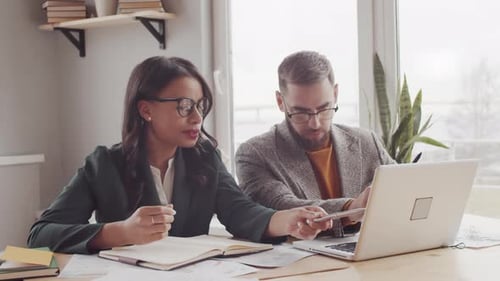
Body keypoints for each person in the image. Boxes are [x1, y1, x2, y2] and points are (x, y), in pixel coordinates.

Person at [27, 56, 332, 254]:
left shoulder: (204, 158)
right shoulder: (103, 164)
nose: (197, 117)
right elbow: (39, 237)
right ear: (146, 109)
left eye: (200, 106)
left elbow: (242, 213)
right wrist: (119, 232)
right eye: (185, 106)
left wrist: (289, 221)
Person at [235, 51, 395, 237]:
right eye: (301, 112)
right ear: (281, 102)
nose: (315, 123)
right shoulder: (254, 154)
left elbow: (401, 188)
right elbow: (285, 206)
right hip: (299, 262)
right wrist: (351, 208)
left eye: (324, 109)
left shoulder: (366, 142)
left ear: (335, 94)